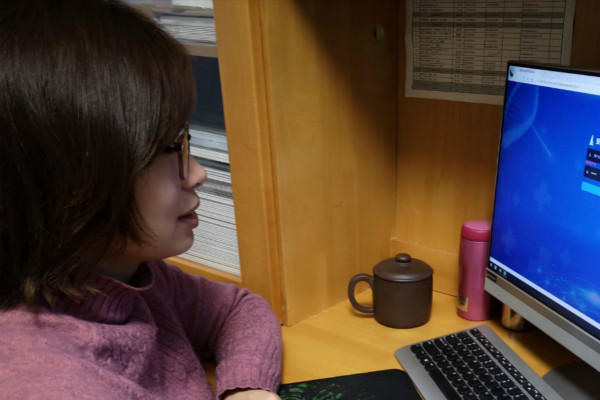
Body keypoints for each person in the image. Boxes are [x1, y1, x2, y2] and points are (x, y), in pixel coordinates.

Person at [0, 1, 282, 399]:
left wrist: (246, 386)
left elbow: (238, 309)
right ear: (73, 183)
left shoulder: (122, 275)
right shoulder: (53, 383)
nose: (198, 174)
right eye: (169, 148)